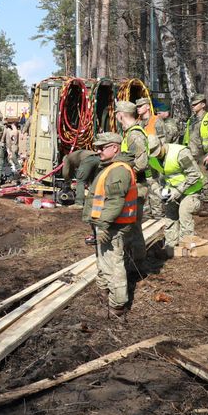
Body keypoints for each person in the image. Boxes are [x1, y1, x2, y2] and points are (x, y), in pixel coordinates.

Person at [84, 133, 139, 316]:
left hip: (113, 225)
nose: (98, 151)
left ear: (115, 148)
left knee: (113, 266)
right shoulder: (112, 167)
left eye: (102, 148)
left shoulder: (118, 170)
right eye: (97, 148)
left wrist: (103, 225)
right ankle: (105, 291)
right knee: (105, 260)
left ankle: (117, 305)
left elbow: (115, 201)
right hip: (108, 223)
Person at [151, 134, 204, 250]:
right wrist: (158, 190)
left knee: (184, 213)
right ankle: (171, 245)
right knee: (170, 215)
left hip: (191, 190)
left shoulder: (181, 153)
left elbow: (194, 174)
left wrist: (178, 191)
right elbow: (151, 178)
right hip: (170, 190)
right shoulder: (151, 157)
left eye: (158, 152)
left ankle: (186, 245)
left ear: (162, 144)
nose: (157, 155)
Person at [115, 100, 151, 265]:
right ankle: (134, 261)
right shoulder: (130, 133)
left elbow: (141, 163)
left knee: (133, 227)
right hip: (132, 186)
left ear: (121, 115)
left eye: (117, 115)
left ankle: (136, 263)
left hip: (136, 187)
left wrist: (125, 174)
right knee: (131, 226)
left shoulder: (134, 135)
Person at [184, 93, 208, 204]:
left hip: (204, 155)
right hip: (191, 155)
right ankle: (196, 204)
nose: (193, 106)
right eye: (192, 104)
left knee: (207, 181)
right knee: (193, 180)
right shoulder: (191, 120)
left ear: (203, 105)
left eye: (195, 104)